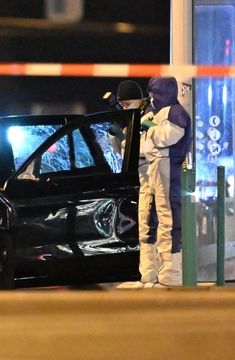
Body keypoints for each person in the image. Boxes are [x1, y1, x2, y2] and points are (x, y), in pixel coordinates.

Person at [121, 76, 192, 288]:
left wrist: (149, 126)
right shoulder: (157, 112)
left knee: (168, 221)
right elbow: (144, 146)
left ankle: (171, 274)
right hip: (155, 169)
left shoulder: (176, 112)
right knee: (147, 221)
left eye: (154, 94)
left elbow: (165, 137)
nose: (151, 98)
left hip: (169, 169)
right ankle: (148, 273)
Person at [115, 80, 160, 289]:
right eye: (122, 104)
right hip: (142, 182)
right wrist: (116, 134)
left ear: (140, 100)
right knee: (142, 228)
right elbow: (122, 153)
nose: (125, 107)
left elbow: (142, 148)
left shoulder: (149, 117)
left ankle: (151, 276)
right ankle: (145, 274)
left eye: (127, 103)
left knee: (149, 228)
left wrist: (125, 137)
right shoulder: (136, 118)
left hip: (152, 180)